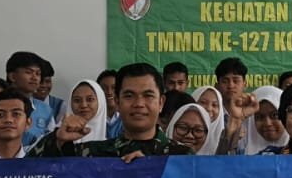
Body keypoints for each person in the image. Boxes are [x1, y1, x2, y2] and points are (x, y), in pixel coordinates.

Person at [34, 64, 192, 159]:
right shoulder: (92, 154)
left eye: (148, 95)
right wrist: (57, 140)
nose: (139, 104)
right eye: (129, 96)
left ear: (161, 103)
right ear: (117, 102)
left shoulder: (182, 157)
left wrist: (150, 169)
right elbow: (29, 174)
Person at [5, 51, 55, 146]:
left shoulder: (46, 110)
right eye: (28, 72)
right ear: (12, 76)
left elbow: (50, 142)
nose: (34, 78)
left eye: (38, 74)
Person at [35, 58, 65, 123]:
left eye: (48, 81)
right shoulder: (23, 103)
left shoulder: (59, 105)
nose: (44, 85)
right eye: (40, 82)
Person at [101, 70, 126, 138]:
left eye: (114, 88)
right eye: (104, 88)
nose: (109, 92)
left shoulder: (129, 118)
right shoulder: (93, 119)